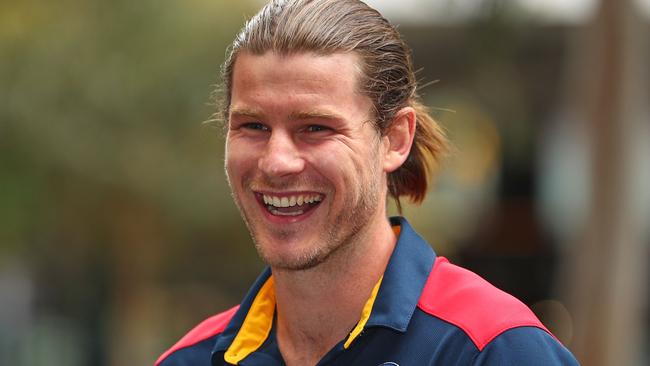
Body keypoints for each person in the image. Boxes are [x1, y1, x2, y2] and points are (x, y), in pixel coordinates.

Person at [156, 0, 579, 365]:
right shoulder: (189, 360)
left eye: (315, 128)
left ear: (395, 139)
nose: (277, 161)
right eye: (253, 126)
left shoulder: (496, 351)